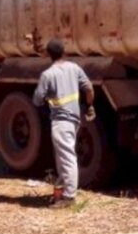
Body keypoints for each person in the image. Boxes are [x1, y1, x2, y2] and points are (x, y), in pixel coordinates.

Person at [32, 38, 95, 208]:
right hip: (74, 119)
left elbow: (37, 100)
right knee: (62, 158)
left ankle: (69, 197)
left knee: (66, 158)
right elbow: (89, 88)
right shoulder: (74, 68)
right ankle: (61, 192)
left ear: (49, 55)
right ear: (63, 52)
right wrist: (89, 106)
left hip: (60, 121)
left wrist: (45, 96)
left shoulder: (48, 75)